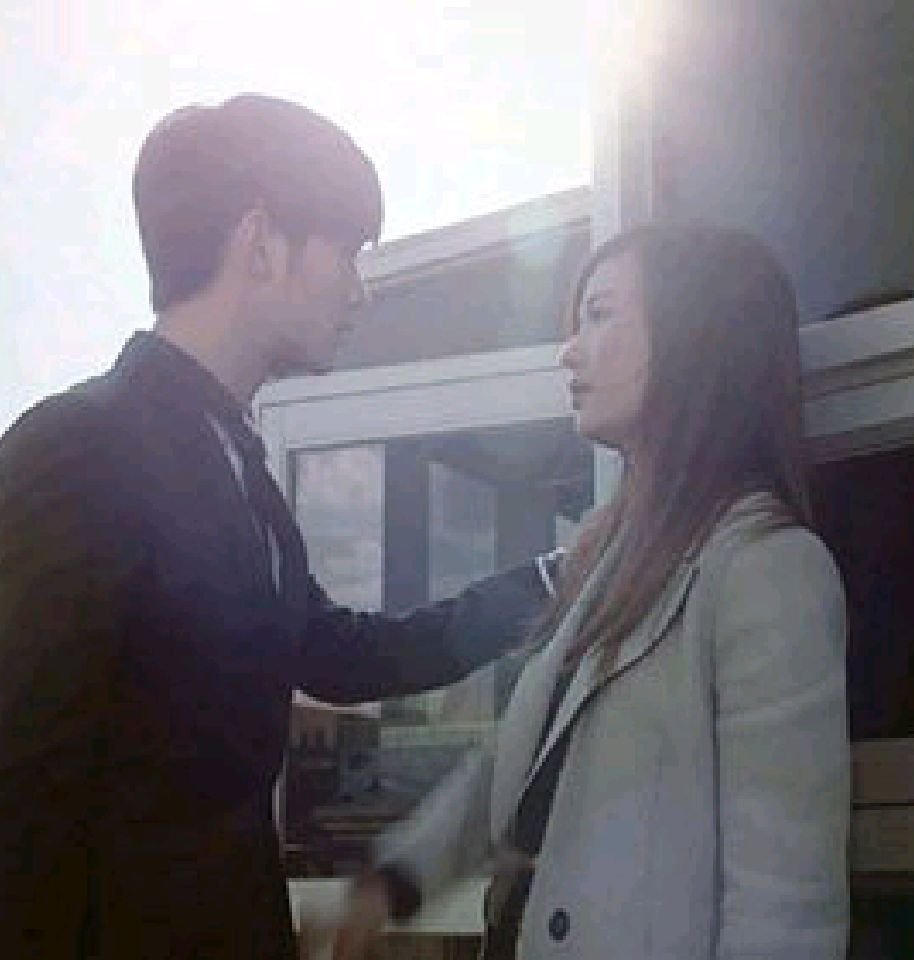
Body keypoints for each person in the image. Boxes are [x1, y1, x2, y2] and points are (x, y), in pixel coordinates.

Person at [0, 94, 556, 959]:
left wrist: (551, 582)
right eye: (349, 253)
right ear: (261, 243)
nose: (361, 292)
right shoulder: (77, 445)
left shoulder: (241, 469)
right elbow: (21, 789)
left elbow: (343, 655)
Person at [332, 224, 850, 960]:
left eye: (600, 315)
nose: (568, 351)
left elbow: (786, 908)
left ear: (695, 336)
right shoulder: (608, 555)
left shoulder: (767, 568)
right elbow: (517, 770)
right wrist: (394, 882)